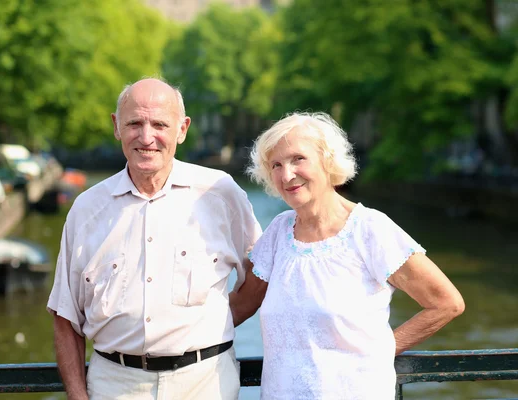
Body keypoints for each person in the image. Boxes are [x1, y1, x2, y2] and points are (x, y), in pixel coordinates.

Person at [47, 78, 262, 400]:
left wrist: (216, 321)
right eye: (135, 123)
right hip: (114, 386)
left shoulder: (220, 193)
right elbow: (65, 315)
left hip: (205, 384)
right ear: (116, 126)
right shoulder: (87, 210)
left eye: (159, 124)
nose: (147, 137)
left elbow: (260, 275)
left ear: (182, 128)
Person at [229, 112, 465, 399]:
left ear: (327, 161)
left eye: (298, 159)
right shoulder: (278, 232)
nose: (286, 174)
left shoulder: (369, 229)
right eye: (276, 165)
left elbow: (446, 303)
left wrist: (382, 348)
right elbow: (242, 304)